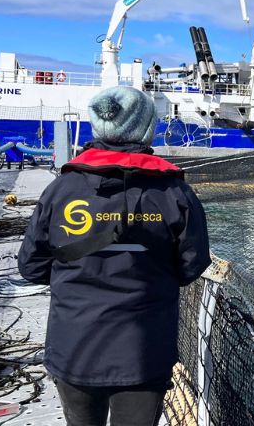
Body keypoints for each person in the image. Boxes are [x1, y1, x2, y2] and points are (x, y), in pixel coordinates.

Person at [18, 86, 211, 426]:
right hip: (143, 352)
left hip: (74, 349)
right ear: (146, 127)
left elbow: (31, 267)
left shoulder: (61, 190)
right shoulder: (174, 193)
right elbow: (191, 266)